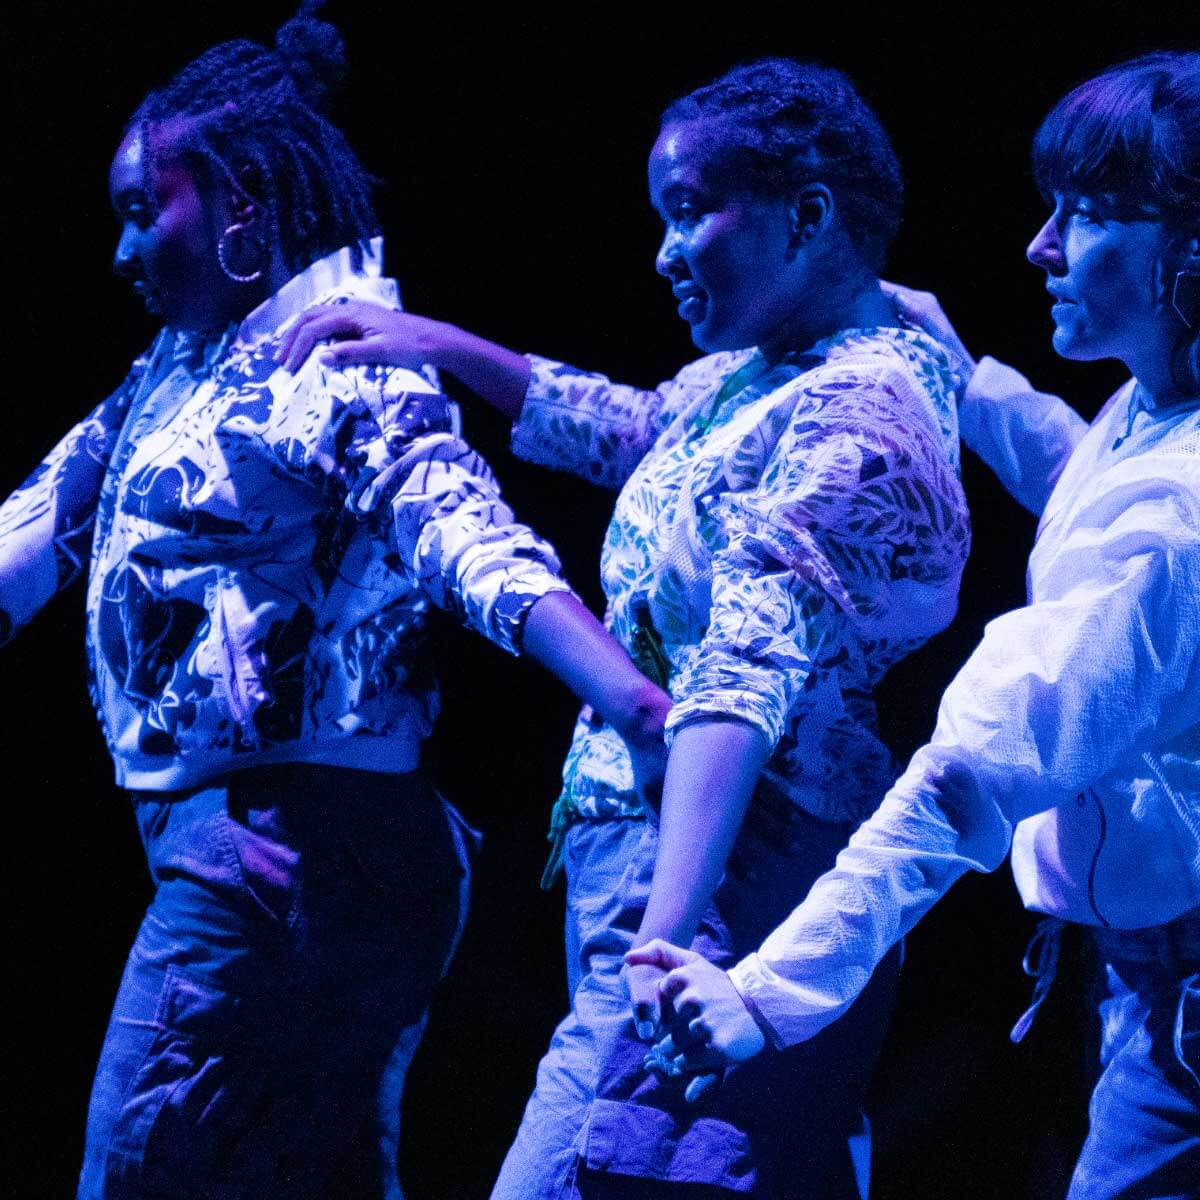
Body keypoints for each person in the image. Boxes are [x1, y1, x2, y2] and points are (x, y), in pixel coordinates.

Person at [0, 9, 672, 1199]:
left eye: (140, 211)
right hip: (267, 850)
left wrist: (627, 695)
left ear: (244, 203)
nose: (119, 254)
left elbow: (462, 532)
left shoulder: (332, 351)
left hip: (295, 848)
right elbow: (35, 527)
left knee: (144, 1170)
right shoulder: (183, 362)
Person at [281, 59, 971, 1198]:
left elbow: (745, 677)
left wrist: (664, 939)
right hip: (678, 875)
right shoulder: (757, 377)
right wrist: (444, 348)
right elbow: (640, 424)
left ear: (808, 216)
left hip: (729, 875)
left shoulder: (862, 414)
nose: (661, 251)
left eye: (691, 211)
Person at [627, 51, 1200, 1200]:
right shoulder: (1152, 415)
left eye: (1086, 216)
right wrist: (971, 377)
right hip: (1137, 971)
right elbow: (1082, 477)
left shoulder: (1179, 513)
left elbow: (972, 772)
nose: (1040, 246)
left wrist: (768, 992)